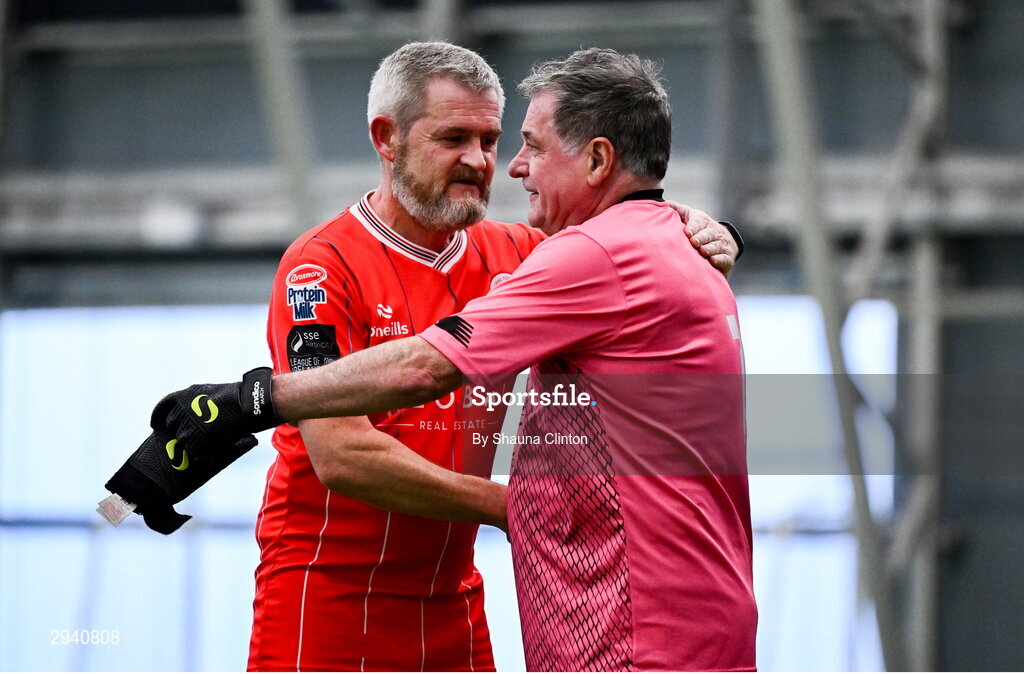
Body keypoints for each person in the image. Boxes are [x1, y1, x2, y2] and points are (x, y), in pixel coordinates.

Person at [103, 43, 742, 671]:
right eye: (453, 138)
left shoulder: (525, 255)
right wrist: (524, 508)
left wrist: (711, 231)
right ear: (387, 138)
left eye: (492, 140)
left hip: (453, 600)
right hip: (327, 601)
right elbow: (342, 455)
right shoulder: (321, 265)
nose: (484, 161)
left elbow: (628, 220)